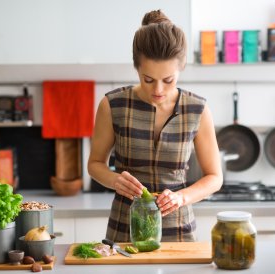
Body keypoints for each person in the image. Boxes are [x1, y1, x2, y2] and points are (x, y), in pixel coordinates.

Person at [88, 10, 222, 242]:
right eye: (148, 79)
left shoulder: (197, 109)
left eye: (168, 80)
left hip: (179, 233)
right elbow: (95, 164)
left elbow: (214, 177)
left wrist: (182, 197)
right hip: (124, 232)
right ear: (136, 68)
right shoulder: (113, 105)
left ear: (181, 68)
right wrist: (114, 180)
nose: (158, 90)